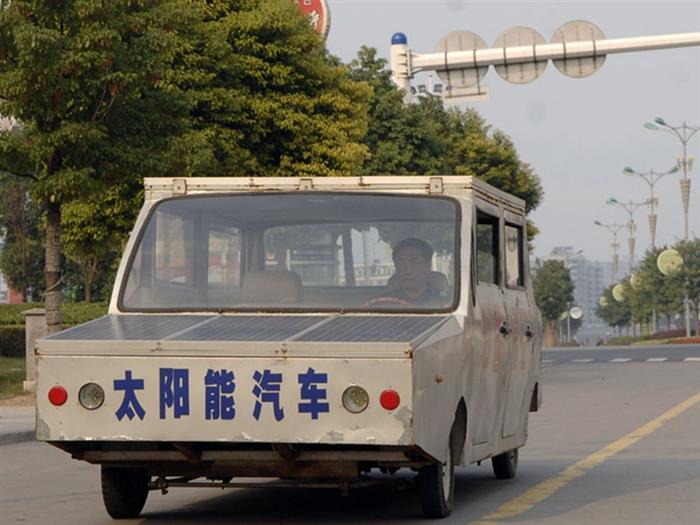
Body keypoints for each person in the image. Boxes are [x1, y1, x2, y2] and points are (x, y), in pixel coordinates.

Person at [368, 238, 444, 306]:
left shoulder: (447, 303)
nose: (407, 270)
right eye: (401, 262)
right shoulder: (380, 304)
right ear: (395, 265)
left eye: (414, 261)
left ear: (428, 265)